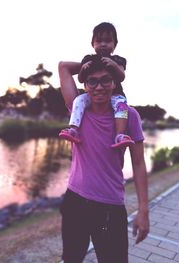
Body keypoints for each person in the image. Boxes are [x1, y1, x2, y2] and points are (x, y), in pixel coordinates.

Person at [58, 54, 149, 263]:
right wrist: (91, 63)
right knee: (71, 259)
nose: (99, 87)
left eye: (106, 80)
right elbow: (63, 67)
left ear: (114, 82)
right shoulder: (77, 110)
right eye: (92, 81)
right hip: (75, 202)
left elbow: (138, 163)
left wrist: (143, 210)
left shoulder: (128, 115)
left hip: (110, 207)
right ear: (85, 85)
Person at [59, 22, 135, 149]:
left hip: (115, 95)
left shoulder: (118, 60)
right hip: (92, 96)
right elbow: (80, 79)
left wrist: (114, 66)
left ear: (115, 45)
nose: (103, 44)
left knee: (122, 106)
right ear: (92, 44)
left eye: (108, 41)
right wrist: (83, 69)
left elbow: (121, 76)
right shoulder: (88, 59)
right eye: (99, 41)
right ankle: (73, 129)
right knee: (78, 100)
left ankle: (120, 135)